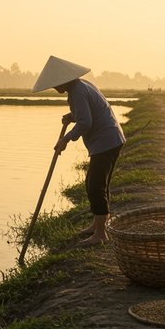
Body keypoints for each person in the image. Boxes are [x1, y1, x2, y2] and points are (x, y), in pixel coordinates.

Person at [32, 55, 126, 246]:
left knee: (95, 185)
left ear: (64, 79)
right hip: (111, 139)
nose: (55, 88)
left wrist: (65, 139)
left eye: (55, 84)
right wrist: (72, 115)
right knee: (97, 183)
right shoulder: (82, 85)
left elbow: (86, 122)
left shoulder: (77, 92)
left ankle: (100, 235)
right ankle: (97, 226)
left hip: (106, 141)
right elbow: (85, 113)